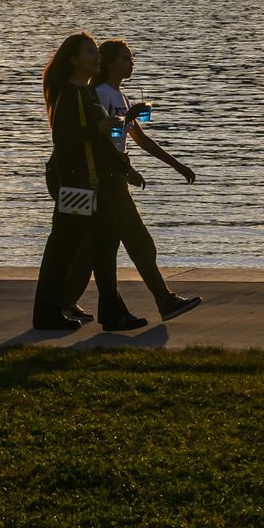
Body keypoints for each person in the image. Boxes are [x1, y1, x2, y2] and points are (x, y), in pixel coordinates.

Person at [61, 39, 201, 323]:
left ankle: (64, 302)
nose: (131, 62)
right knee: (138, 243)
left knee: (93, 249)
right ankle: (164, 300)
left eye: (132, 57)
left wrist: (177, 165)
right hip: (106, 180)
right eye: (125, 58)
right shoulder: (100, 93)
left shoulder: (119, 96)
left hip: (116, 177)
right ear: (110, 63)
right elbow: (105, 138)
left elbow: (139, 140)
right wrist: (125, 152)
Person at [31, 32, 145, 333]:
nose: (97, 58)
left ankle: (111, 312)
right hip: (77, 185)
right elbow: (65, 141)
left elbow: (102, 141)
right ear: (73, 60)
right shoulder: (70, 95)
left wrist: (125, 168)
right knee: (63, 249)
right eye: (90, 53)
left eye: (96, 53)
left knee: (103, 246)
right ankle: (47, 313)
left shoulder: (85, 94)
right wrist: (99, 127)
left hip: (94, 183)